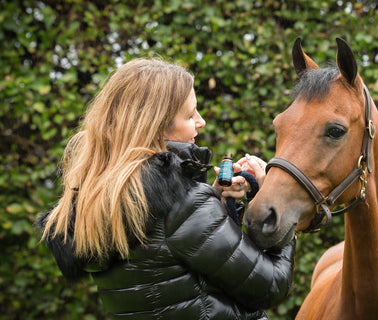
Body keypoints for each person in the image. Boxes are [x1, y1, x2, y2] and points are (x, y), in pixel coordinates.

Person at [36, 57, 295, 320]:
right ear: (157, 125)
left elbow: (171, 267)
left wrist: (215, 199)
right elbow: (271, 286)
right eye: (191, 114)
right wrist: (280, 207)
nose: (201, 121)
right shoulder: (182, 205)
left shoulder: (95, 203)